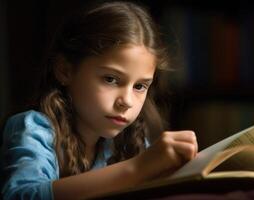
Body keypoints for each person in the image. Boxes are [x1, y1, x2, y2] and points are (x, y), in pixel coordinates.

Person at [0, 1, 198, 199]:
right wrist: (137, 168)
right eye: (110, 79)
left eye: (139, 86)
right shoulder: (35, 129)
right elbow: (20, 195)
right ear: (65, 70)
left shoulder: (127, 141)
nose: (127, 101)